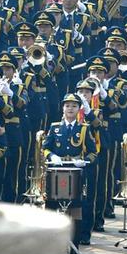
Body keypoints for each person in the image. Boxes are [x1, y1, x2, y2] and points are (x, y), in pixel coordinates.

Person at [42, 92, 95, 245]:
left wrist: (84, 161)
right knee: (52, 205)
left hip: (75, 172)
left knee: (75, 207)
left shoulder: (83, 129)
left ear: (79, 109)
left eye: (74, 106)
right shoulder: (55, 127)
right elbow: (45, 148)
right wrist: (51, 156)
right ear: (62, 108)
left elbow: (93, 152)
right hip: (56, 172)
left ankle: (74, 243)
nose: (70, 109)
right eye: (67, 106)